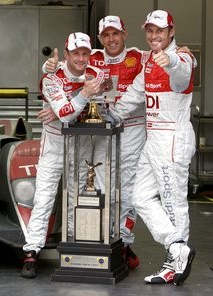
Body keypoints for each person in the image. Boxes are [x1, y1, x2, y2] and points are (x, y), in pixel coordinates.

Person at [40, 15, 148, 270]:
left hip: (132, 129)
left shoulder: (141, 56)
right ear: (100, 38)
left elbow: (166, 58)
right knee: (101, 186)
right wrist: (49, 70)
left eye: (116, 34)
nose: (112, 39)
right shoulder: (91, 57)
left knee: (127, 190)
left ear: (124, 34)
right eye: (106, 35)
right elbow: (64, 80)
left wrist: (183, 50)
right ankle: (101, 239)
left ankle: (123, 243)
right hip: (100, 129)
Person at [107, 10, 196, 285]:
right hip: (153, 139)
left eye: (159, 31)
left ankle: (174, 262)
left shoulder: (182, 58)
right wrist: (109, 115)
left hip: (172, 140)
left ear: (171, 31)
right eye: (149, 31)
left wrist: (169, 60)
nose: (154, 36)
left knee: (173, 203)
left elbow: (181, 75)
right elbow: (134, 93)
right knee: (139, 196)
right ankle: (177, 248)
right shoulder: (147, 62)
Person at [21, 32, 104, 278]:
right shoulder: (51, 78)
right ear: (66, 54)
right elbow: (67, 113)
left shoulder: (96, 74)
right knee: (44, 198)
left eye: (85, 53)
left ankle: (72, 249)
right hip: (54, 144)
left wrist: (59, 110)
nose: (81, 58)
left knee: (77, 198)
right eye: (75, 53)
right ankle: (31, 252)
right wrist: (80, 98)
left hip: (81, 144)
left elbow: (104, 105)